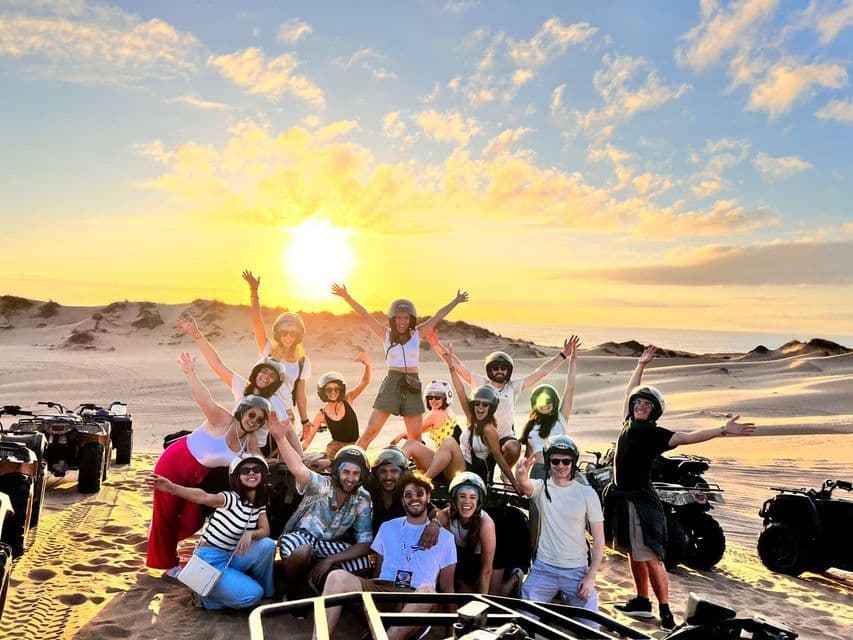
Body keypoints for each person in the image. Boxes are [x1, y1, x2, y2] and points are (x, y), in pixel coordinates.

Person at [610, 346, 756, 631]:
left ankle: (666, 613)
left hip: (641, 501)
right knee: (632, 552)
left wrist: (722, 430)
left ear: (655, 411)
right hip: (622, 500)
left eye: (647, 404)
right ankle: (642, 602)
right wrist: (640, 365)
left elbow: (688, 437)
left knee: (650, 556)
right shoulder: (628, 423)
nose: (640, 405)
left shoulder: (654, 434)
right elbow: (630, 391)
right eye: (638, 402)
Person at [146, 352, 266, 572]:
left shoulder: (250, 440)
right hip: (176, 461)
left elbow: (259, 464)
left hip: (198, 474)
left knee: (194, 518)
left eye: (259, 419)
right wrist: (190, 373)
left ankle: (159, 533)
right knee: (167, 513)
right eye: (251, 415)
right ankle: (167, 565)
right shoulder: (223, 419)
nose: (254, 421)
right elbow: (204, 399)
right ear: (242, 412)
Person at [317, 471, 456, 640]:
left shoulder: (446, 538)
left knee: (428, 591)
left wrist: (452, 629)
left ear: (428, 498)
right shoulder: (387, 527)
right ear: (402, 501)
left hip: (415, 597)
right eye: (408, 495)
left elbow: (447, 588)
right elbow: (378, 570)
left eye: (419, 493)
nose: (414, 498)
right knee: (337, 577)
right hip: (381, 591)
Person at [330, 283, 469, 446]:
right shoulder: (385, 334)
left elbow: (438, 316)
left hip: (413, 383)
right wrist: (347, 297)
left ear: (411, 319)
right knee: (371, 431)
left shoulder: (418, 333)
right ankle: (352, 458)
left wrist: (456, 301)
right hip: (392, 382)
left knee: (415, 437)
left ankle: (416, 462)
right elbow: (365, 315)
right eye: (398, 318)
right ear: (393, 319)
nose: (402, 321)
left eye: (406, 318)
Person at [424, 330, 576, 470]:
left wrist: (564, 354)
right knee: (482, 475)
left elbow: (541, 372)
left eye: (503, 368)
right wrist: (436, 344)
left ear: (508, 370)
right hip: (481, 439)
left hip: (504, 439)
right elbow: (456, 365)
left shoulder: (513, 387)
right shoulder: (481, 383)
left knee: (514, 448)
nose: (499, 371)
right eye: (495, 368)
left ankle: (505, 473)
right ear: (490, 369)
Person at [148, 453, 276, 610]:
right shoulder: (231, 499)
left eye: (256, 469)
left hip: (231, 554)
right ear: (237, 477)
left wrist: (250, 533)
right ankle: (205, 597)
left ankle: (266, 595)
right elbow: (204, 497)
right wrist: (172, 488)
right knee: (253, 595)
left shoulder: (258, 503)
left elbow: (265, 530)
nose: (251, 473)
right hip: (210, 560)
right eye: (244, 471)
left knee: (267, 545)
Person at [175, 314, 303, 457]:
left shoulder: (274, 401)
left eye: (272, 376)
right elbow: (217, 364)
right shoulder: (241, 386)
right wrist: (196, 334)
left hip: (256, 452)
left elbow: (289, 431)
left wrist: (302, 456)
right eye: (264, 372)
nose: (266, 377)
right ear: (256, 372)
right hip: (232, 443)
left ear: (276, 382)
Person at [268, 418, 373, 592]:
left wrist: (330, 560)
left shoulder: (363, 498)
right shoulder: (323, 484)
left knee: (363, 564)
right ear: (337, 471)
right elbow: (297, 468)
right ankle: (295, 591)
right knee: (302, 553)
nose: (350, 478)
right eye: (346, 472)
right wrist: (280, 438)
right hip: (301, 537)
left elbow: (364, 543)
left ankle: (315, 578)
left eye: (356, 474)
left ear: (362, 476)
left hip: (329, 545)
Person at [516, 435, 604, 613]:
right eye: (555, 461)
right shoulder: (542, 488)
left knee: (590, 622)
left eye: (566, 461)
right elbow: (526, 485)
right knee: (525, 616)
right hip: (543, 568)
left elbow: (599, 539)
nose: (561, 466)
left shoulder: (587, 493)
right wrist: (521, 474)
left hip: (576, 569)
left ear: (573, 462)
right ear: (548, 463)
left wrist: (591, 576)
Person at [424, 345, 523, 495]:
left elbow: (499, 458)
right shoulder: (472, 418)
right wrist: (451, 367)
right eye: (477, 404)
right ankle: (421, 479)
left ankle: (424, 482)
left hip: (473, 472)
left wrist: (514, 484)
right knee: (415, 445)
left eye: (485, 405)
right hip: (459, 464)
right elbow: (460, 391)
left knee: (450, 442)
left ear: (491, 407)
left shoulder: (489, 429)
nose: (480, 408)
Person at [243, 270, 312, 432]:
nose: (288, 337)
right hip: (259, 410)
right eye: (284, 332)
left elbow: (301, 395)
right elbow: (257, 322)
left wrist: (305, 420)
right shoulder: (268, 350)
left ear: (299, 336)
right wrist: (254, 292)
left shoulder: (303, 362)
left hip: (285, 414)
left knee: (284, 448)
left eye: (293, 333)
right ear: (277, 333)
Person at [520, 335, 581, 479]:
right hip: (538, 473)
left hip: (560, 471)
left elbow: (570, 387)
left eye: (550, 401)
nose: (546, 405)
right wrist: (520, 479)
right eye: (542, 402)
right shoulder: (530, 426)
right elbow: (527, 459)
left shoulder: (560, 418)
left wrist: (573, 359)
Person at [432, 472, 500, 595]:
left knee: (494, 591)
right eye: (462, 496)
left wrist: (481, 601)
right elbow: (436, 520)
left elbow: (486, 569)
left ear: (479, 501)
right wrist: (434, 524)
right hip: (456, 560)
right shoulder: (447, 515)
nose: (467, 501)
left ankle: (515, 577)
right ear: (455, 499)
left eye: (472, 497)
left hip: (478, 561)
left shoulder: (486, 523)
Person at [301, 352, 372, 469]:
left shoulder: (348, 399)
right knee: (323, 467)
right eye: (329, 390)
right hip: (334, 447)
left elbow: (365, 382)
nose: (333, 392)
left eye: (336, 389)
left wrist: (368, 364)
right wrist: (294, 452)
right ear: (323, 392)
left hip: (355, 444)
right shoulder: (321, 414)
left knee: (356, 468)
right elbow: (307, 442)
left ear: (341, 389)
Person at [394, 380, 459, 472]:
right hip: (450, 460)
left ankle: (393, 469)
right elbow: (421, 430)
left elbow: (415, 431)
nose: (433, 400)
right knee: (419, 443)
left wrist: (399, 436)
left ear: (446, 398)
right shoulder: (448, 412)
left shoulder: (435, 414)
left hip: (442, 462)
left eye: (437, 397)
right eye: (430, 397)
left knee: (411, 445)